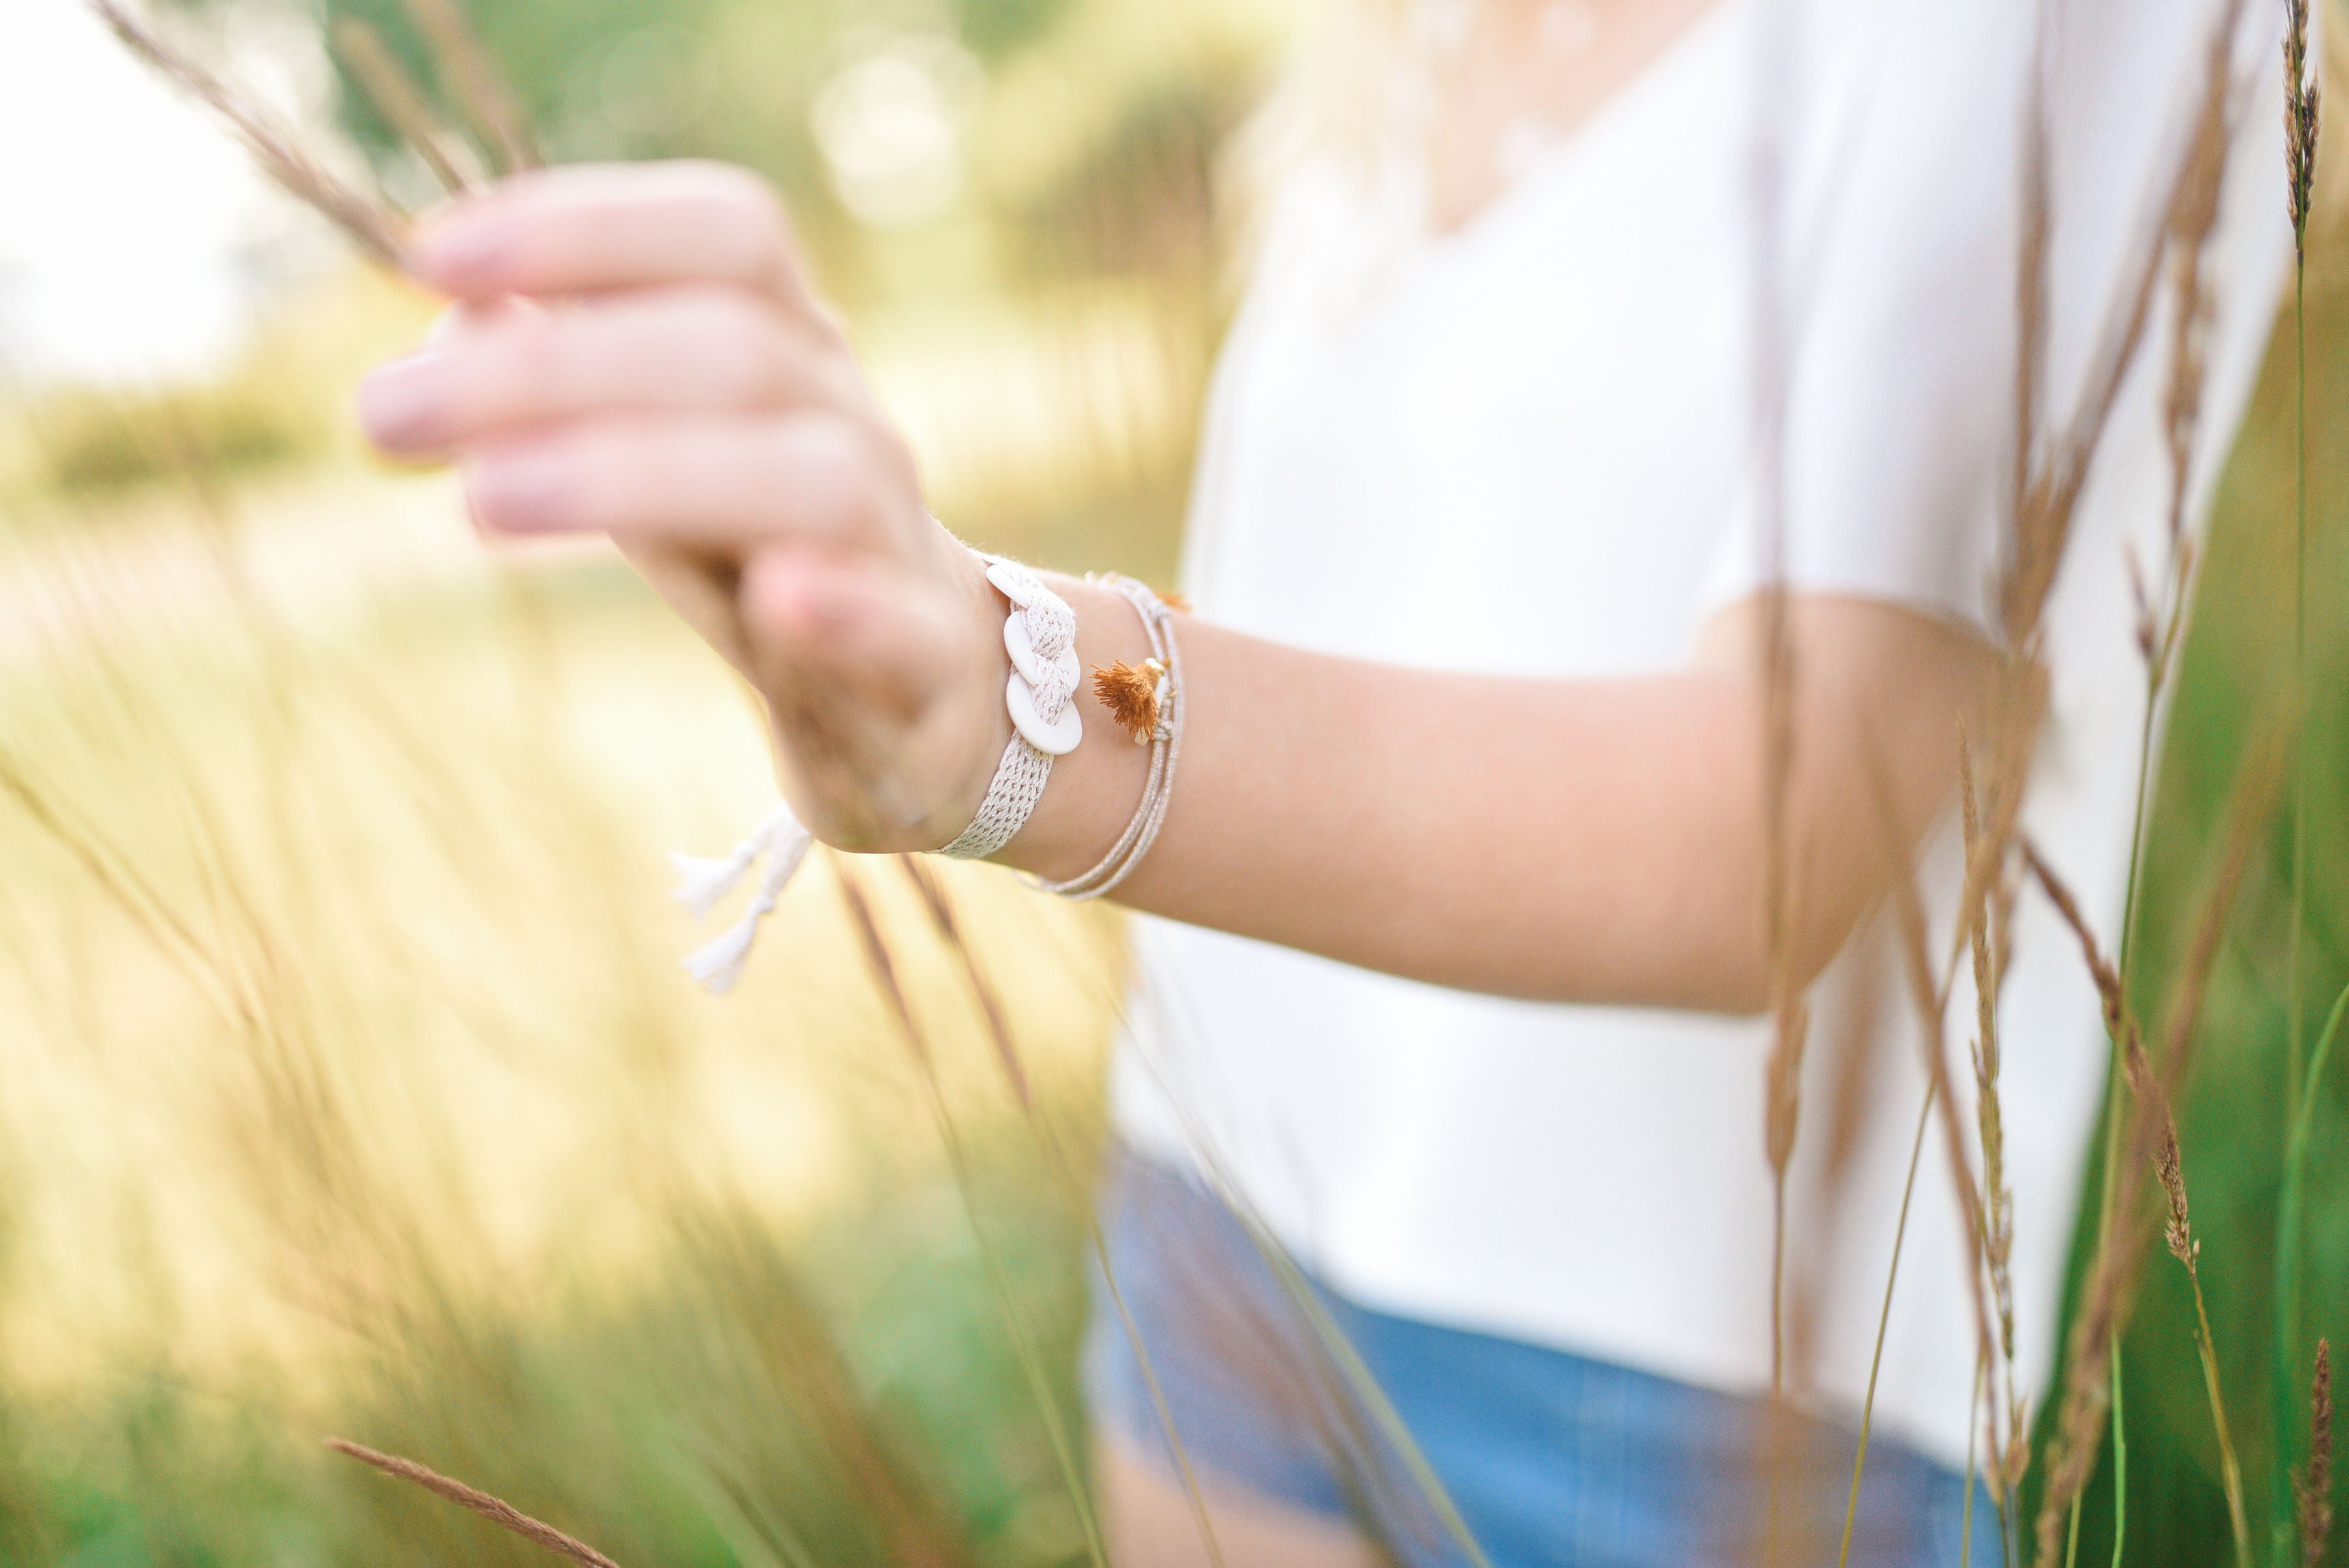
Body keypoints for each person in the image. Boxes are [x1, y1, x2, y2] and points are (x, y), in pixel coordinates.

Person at [355, 0, 2293, 1561]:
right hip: (1220, 1229)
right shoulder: (1396, 40)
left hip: (1707, 1409)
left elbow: (1768, 843)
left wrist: (1010, 704)